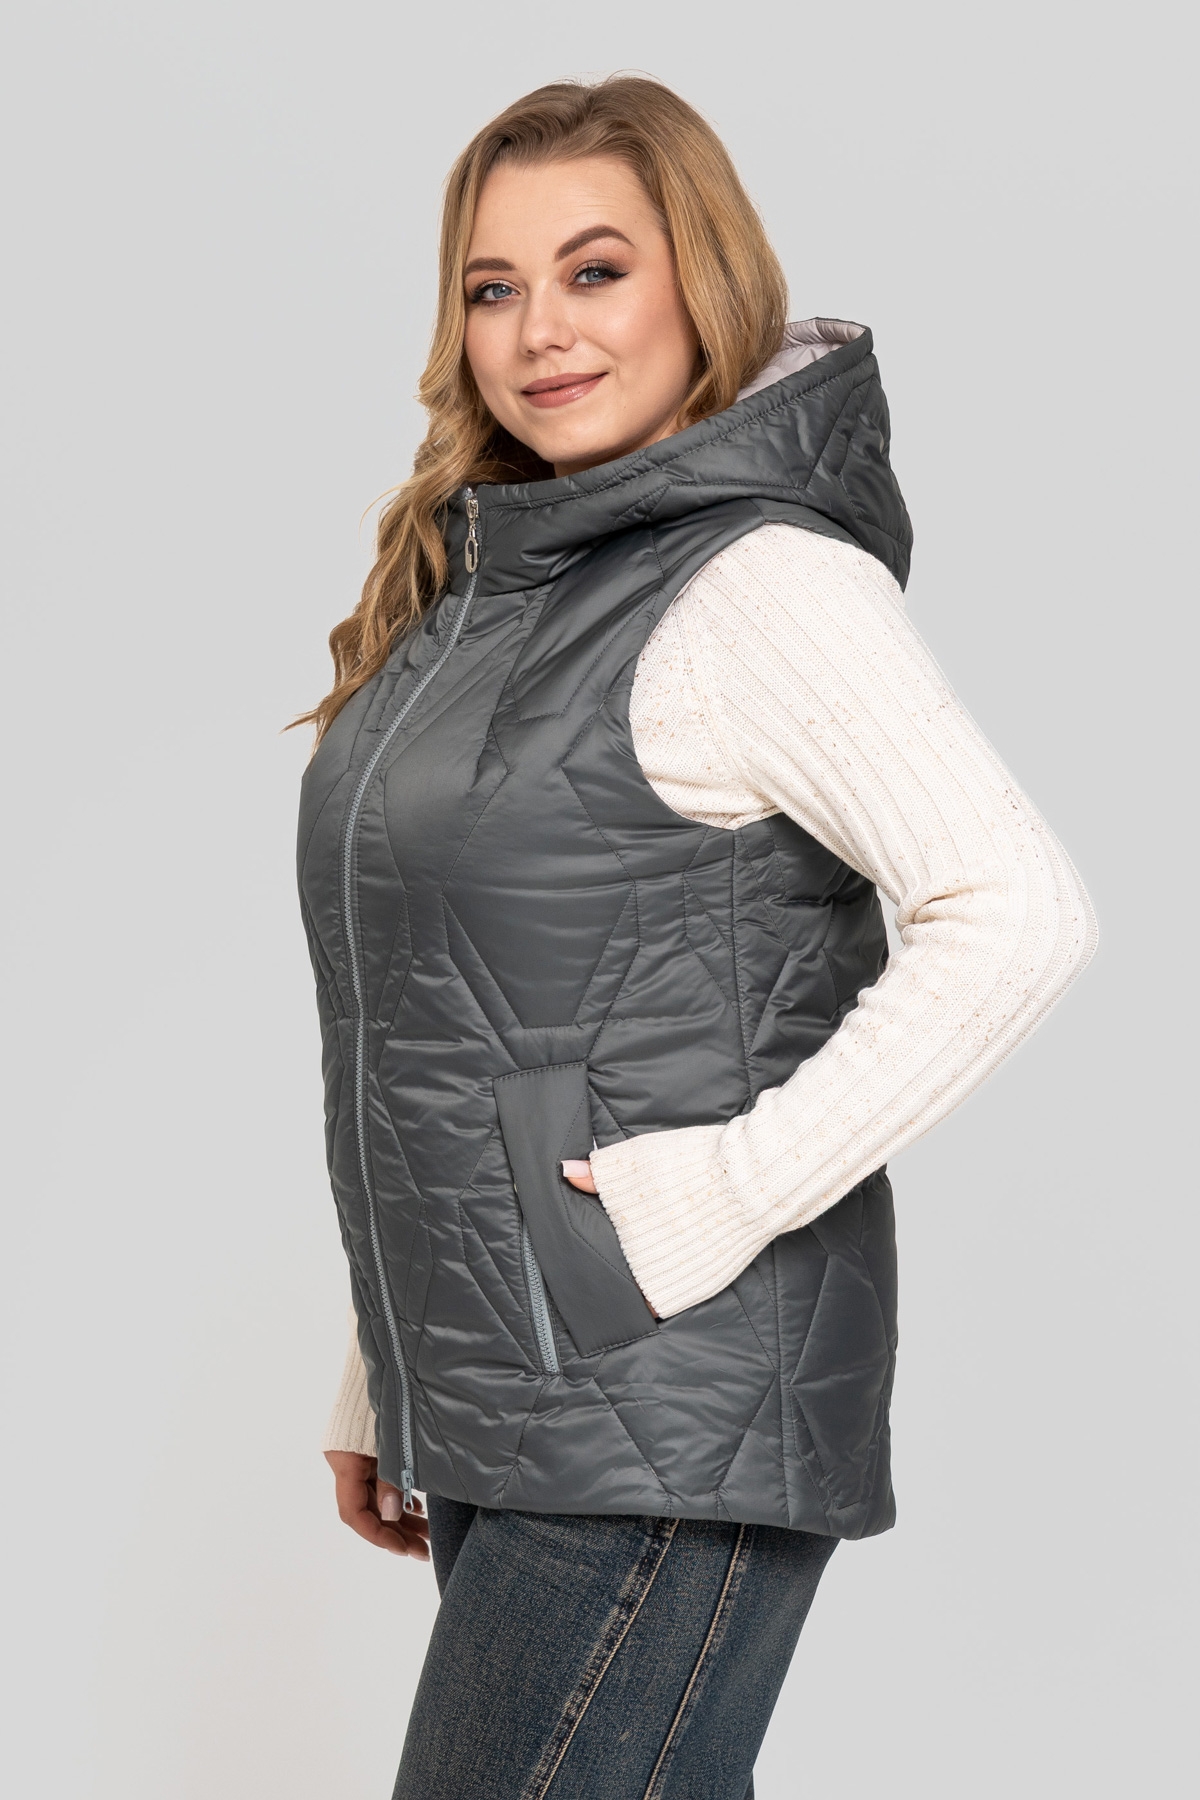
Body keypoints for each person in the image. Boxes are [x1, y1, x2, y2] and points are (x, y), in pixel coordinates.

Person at [296, 75, 1096, 1800]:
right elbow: (438, 1017)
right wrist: (387, 1363)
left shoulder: (758, 586)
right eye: (494, 287)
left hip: (661, 1385)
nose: (540, 330)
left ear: (703, 286)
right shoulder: (483, 597)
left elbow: (1017, 909)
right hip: (517, 1384)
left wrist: (714, 1197)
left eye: (595, 271)